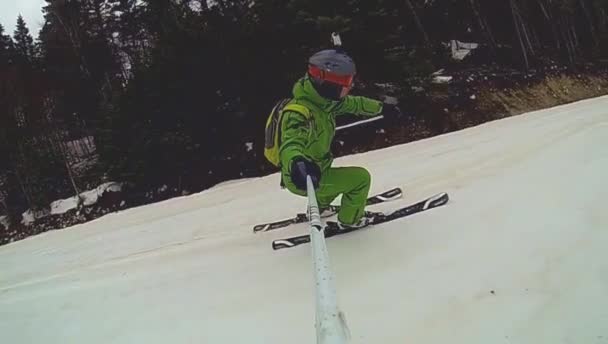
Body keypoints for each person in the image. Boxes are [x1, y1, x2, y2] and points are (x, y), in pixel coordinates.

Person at [275, 48, 401, 229]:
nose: (350, 86)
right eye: (346, 81)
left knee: (329, 178)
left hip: (319, 170)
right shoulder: (299, 113)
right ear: (329, 84)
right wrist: (297, 163)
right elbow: (290, 145)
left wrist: (381, 108)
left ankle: (319, 207)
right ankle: (350, 220)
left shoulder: (325, 102)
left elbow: (355, 104)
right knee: (360, 179)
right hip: (303, 177)